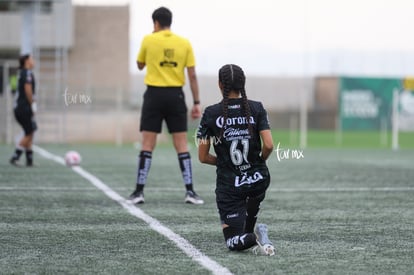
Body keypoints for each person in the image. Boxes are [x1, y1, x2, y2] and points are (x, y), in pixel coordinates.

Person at [197, 64, 275, 255]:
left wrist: (225, 162)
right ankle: (254, 231)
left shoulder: (211, 113)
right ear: (243, 84)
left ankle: (256, 236)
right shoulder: (257, 108)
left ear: (219, 84)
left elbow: (203, 157)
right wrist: (259, 161)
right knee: (244, 229)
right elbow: (269, 145)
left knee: (234, 242)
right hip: (258, 180)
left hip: (230, 186)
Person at [128, 7, 204, 205]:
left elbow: (139, 64)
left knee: (147, 144)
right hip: (176, 95)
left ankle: (138, 192)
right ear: (170, 22)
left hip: (153, 95)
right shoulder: (184, 43)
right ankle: (190, 192)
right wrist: (196, 102)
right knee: (181, 144)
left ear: (155, 23)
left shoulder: (148, 39)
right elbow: (192, 75)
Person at [9, 54, 37, 167]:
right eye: (31, 58)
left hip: (20, 107)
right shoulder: (27, 73)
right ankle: (15, 157)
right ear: (26, 61)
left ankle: (29, 159)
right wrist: (33, 104)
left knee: (30, 131)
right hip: (23, 107)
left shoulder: (23, 73)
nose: (33, 61)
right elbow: (28, 90)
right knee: (29, 131)